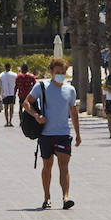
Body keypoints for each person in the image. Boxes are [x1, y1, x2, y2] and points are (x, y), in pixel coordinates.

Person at [25, 56, 81, 209]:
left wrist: (78, 134)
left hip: (63, 134)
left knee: (64, 166)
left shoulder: (70, 90)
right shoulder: (41, 86)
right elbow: (26, 102)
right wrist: (36, 116)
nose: (61, 75)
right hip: (46, 134)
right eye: (58, 72)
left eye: (63, 72)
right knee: (47, 166)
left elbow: (73, 112)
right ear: (51, 71)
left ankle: (65, 197)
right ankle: (47, 197)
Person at [0, 62, 18, 127]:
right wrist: (15, 93)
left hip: (5, 94)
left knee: (6, 108)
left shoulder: (1, 75)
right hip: (12, 93)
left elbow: (0, 85)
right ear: (10, 67)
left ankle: (7, 122)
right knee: (11, 108)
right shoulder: (14, 75)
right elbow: (16, 85)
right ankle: (10, 121)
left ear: (5, 67)